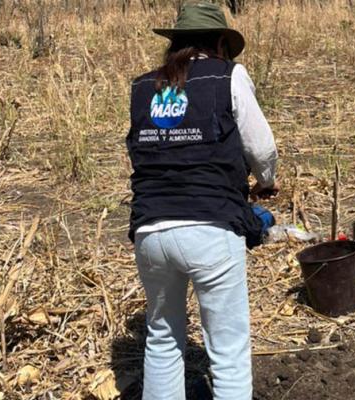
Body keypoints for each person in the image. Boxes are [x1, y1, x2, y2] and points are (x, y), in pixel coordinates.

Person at [125, 2, 278, 398]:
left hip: (150, 231)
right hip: (210, 228)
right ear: (220, 44)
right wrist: (265, 181)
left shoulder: (144, 87)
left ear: (174, 43)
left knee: (161, 340)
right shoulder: (229, 76)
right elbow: (261, 148)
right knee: (227, 351)